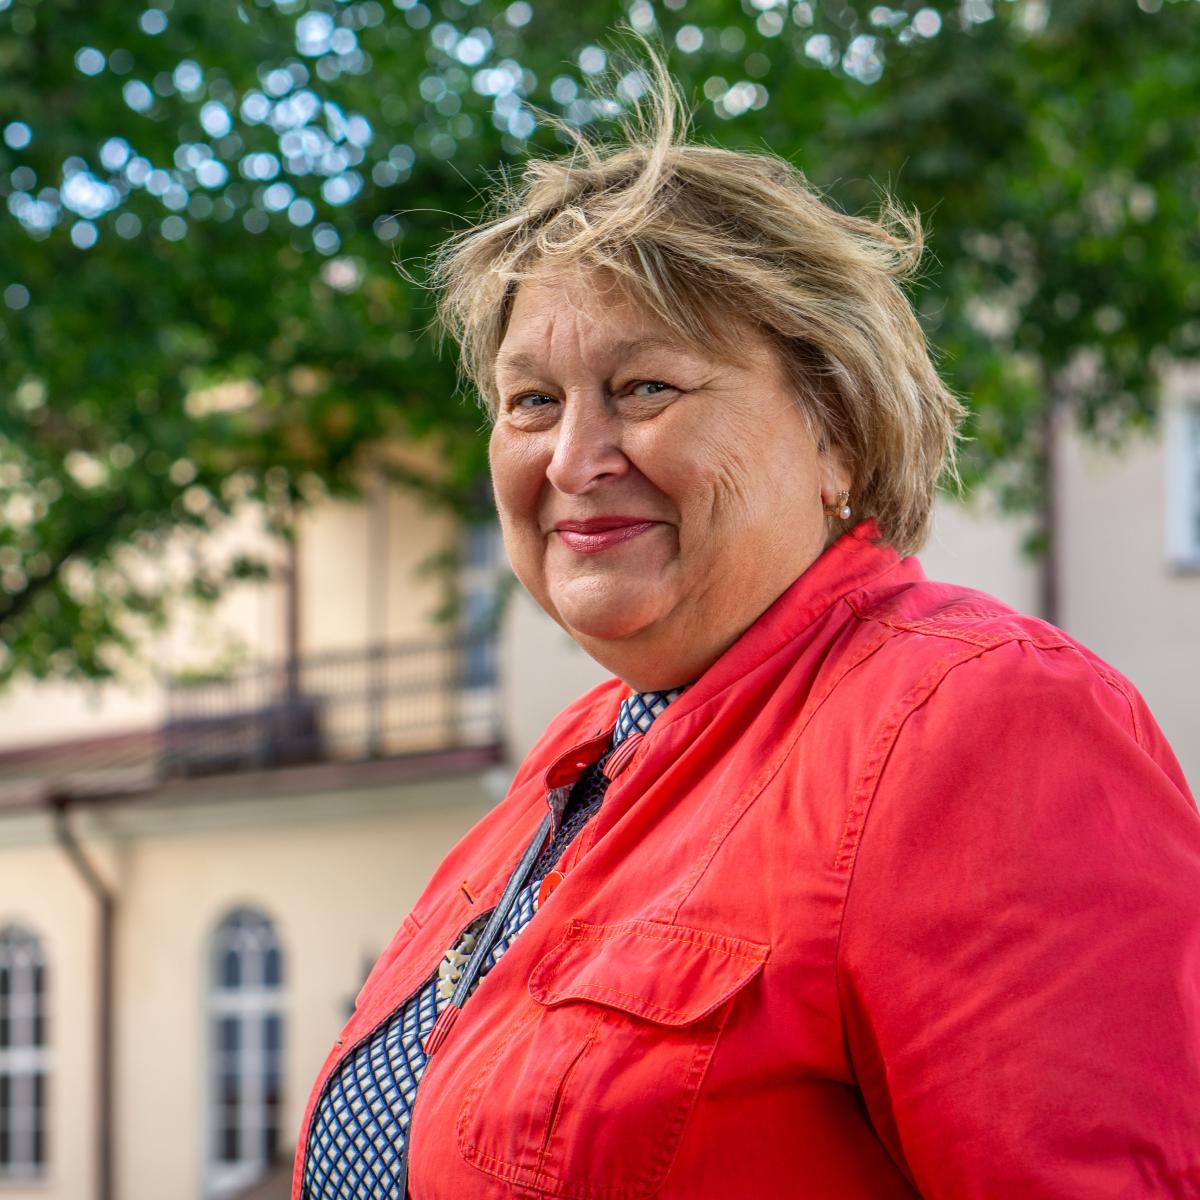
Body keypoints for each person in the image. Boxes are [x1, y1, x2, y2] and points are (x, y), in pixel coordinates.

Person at [293, 61, 1200, 1200]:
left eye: (645, 389)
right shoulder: (582, 760)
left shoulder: (977, 724)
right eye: (532, 402)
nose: (573, 460)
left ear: (839, 436)